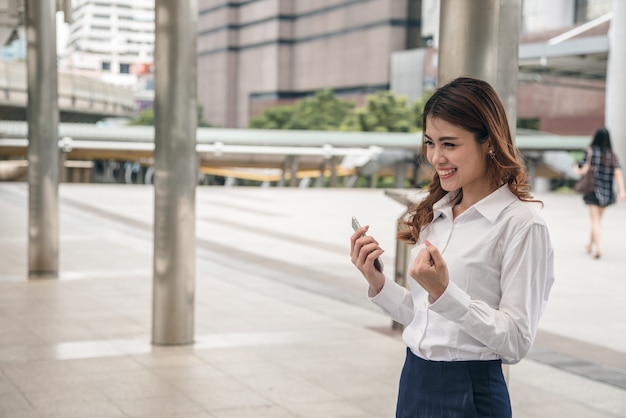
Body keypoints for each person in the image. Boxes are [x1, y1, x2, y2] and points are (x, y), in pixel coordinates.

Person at [350, 76, 555, 418]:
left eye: (449, 144)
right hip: (415, 380)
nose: (435, 157)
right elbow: (427, 318)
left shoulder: (521, 224)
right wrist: (378, 282)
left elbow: (517, 341)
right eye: (430, 143)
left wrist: (446, 293)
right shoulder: (438, 213)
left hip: (471, 392)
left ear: (488, 141)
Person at [573, 127, 626, 259]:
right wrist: (622, 191)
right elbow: (618, 174)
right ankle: (590, 245)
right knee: (597, 221)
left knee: (595, 221)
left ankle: (598, 248)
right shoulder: (611, 155)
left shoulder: (590, 152)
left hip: (593, 191)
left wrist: (576, 170)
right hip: (607, 192)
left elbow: (584, 170)